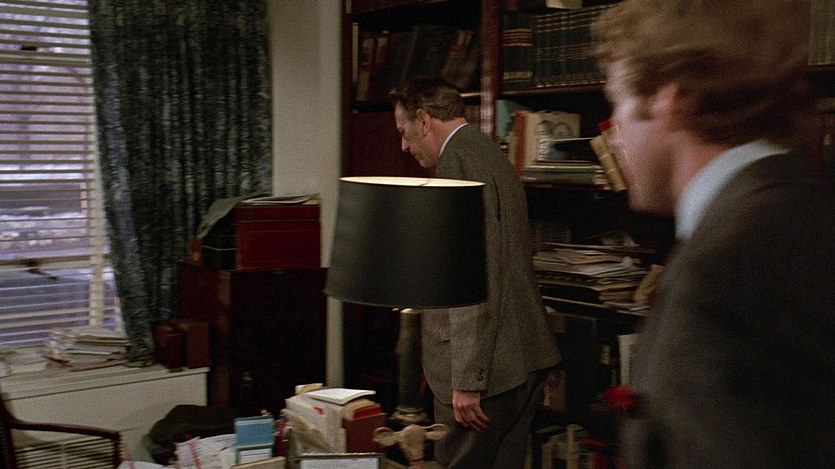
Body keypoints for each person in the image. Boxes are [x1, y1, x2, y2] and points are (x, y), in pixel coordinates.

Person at [592, 1, 835, 467]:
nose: (614, 136)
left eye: (617, 102)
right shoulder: (797, 209)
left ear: (670, 99)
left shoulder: (728, 264)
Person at [388, 76, 561, 468]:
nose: (404, 145)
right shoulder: (487, 150)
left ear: (423, 120)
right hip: (522, 362)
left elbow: (471, 278)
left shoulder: (457, 164)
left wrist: (468, 379)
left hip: (487, 376)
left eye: (403, 132)